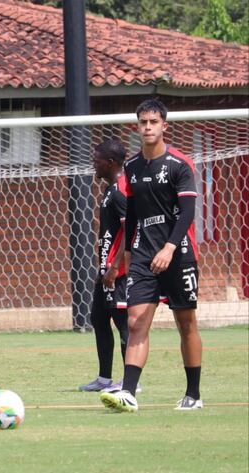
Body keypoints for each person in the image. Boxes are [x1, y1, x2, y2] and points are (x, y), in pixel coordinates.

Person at [100, 98, 203, 412]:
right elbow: (131, 214)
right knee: (135, 323)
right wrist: (129, 253)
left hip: (179, 252)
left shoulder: (179, 164)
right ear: (138, 126)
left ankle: (193, 395)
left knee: (185, 323)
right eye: (143, 122)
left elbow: (187, 212)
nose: (148, 127)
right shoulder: (130, 167)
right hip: (144, 255)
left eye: (153, 122)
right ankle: (128, 393)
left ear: (164, 126)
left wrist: (170, 247)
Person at [78, 138, 131, 392]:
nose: (93, 165)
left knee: (123, 324)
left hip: (119, 272)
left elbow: (130, 230)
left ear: (110, 163)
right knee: (98, 318)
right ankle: (104, 378)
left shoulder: (121, 190)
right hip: (107, 269)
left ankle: (131, 382)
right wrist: (103, 267)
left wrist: (115, 268)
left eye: (96, 160)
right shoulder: (110, 190)